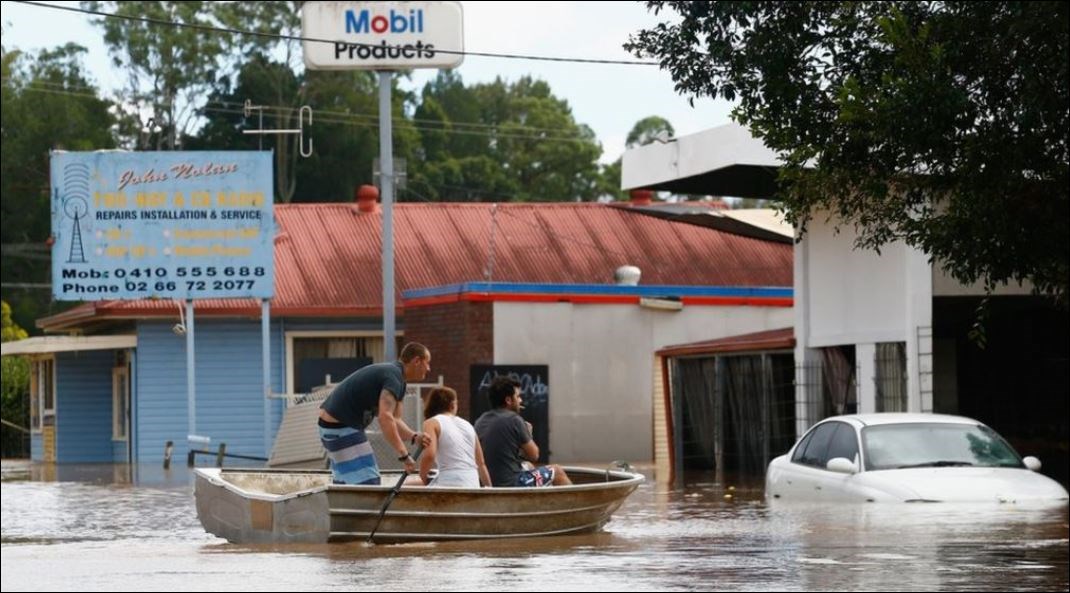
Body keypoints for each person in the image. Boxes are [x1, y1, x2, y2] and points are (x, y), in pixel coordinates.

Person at [317, 342, 431, 485]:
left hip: (335, 426)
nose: (428, 368)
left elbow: (395, 420)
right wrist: (404, 455)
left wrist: (414, 436)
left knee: (350, 481)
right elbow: (385, 418)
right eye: (427, 363)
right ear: (416, 361)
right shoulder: (393, 377)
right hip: (341, 426)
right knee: (368, 482)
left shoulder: (398, 380)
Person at [474, 375, 571, 487]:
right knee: (557, 471)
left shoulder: (480, 421)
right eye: (518, 396)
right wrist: (528, 434)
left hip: (488, 484)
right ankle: (576, 503)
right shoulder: (514, 419)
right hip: (511, 484)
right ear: (508, 400)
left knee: (529, 466)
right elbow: (534, 455)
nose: (521, 400)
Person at [419, 386, 491, 488]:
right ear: (452, 405)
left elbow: (429, 455)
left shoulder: (432, 423)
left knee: (408, 484)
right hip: (472, 481)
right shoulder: (468, 425)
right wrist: (490, 489)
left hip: (449, 481)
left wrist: (422, 478)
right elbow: (481, 463)